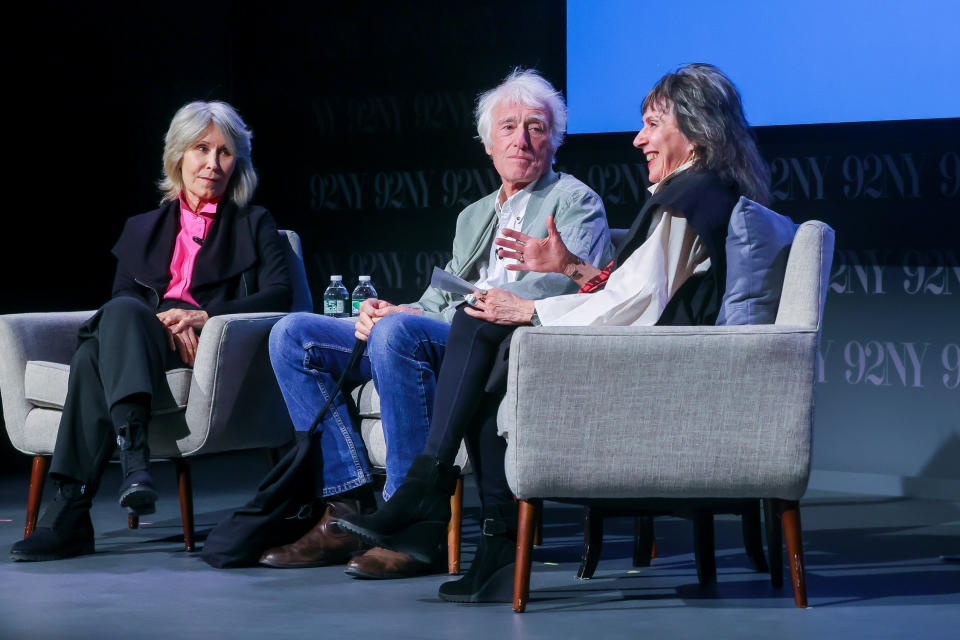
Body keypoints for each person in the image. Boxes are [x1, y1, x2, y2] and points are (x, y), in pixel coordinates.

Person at [337, 63, 773, 602]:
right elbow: (634, 287)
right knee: (482, 336)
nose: (638, 140)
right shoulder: (699, 191)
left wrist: (533, 313)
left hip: (656, 370)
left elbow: (637, 303)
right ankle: (476, 527)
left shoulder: (691, 198)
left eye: (652, 125)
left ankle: (436, 493)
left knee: (482, 326)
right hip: (651, 352)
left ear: (698, 128)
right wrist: (569, 267)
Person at [260, 69, 613, 578]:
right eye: (509, 127)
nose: (523, 139)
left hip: (505, 341)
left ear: (554, 140)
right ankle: (347, 507)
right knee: (295, 335)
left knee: (398, 336)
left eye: (536, 127)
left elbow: (568, 291)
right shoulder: (474, 215)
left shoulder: (574, 201)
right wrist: (397, 309)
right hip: (457, 329)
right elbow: (440, 298)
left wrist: (413, 322)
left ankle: (414, 526)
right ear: (488, 144)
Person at [10, 101, 292, 562]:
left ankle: (71, 510)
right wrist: (161, 320)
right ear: (179, 155)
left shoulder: (254, 223)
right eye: (202, 149)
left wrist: (202, 315)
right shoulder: (142, 229)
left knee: (95, 348)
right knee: (116, 320)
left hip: (210, 348)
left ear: (237, 162)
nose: (212, 163)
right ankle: (130, 463)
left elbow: (280, 297)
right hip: (143, 345)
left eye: (225, 152)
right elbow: (124, 299)